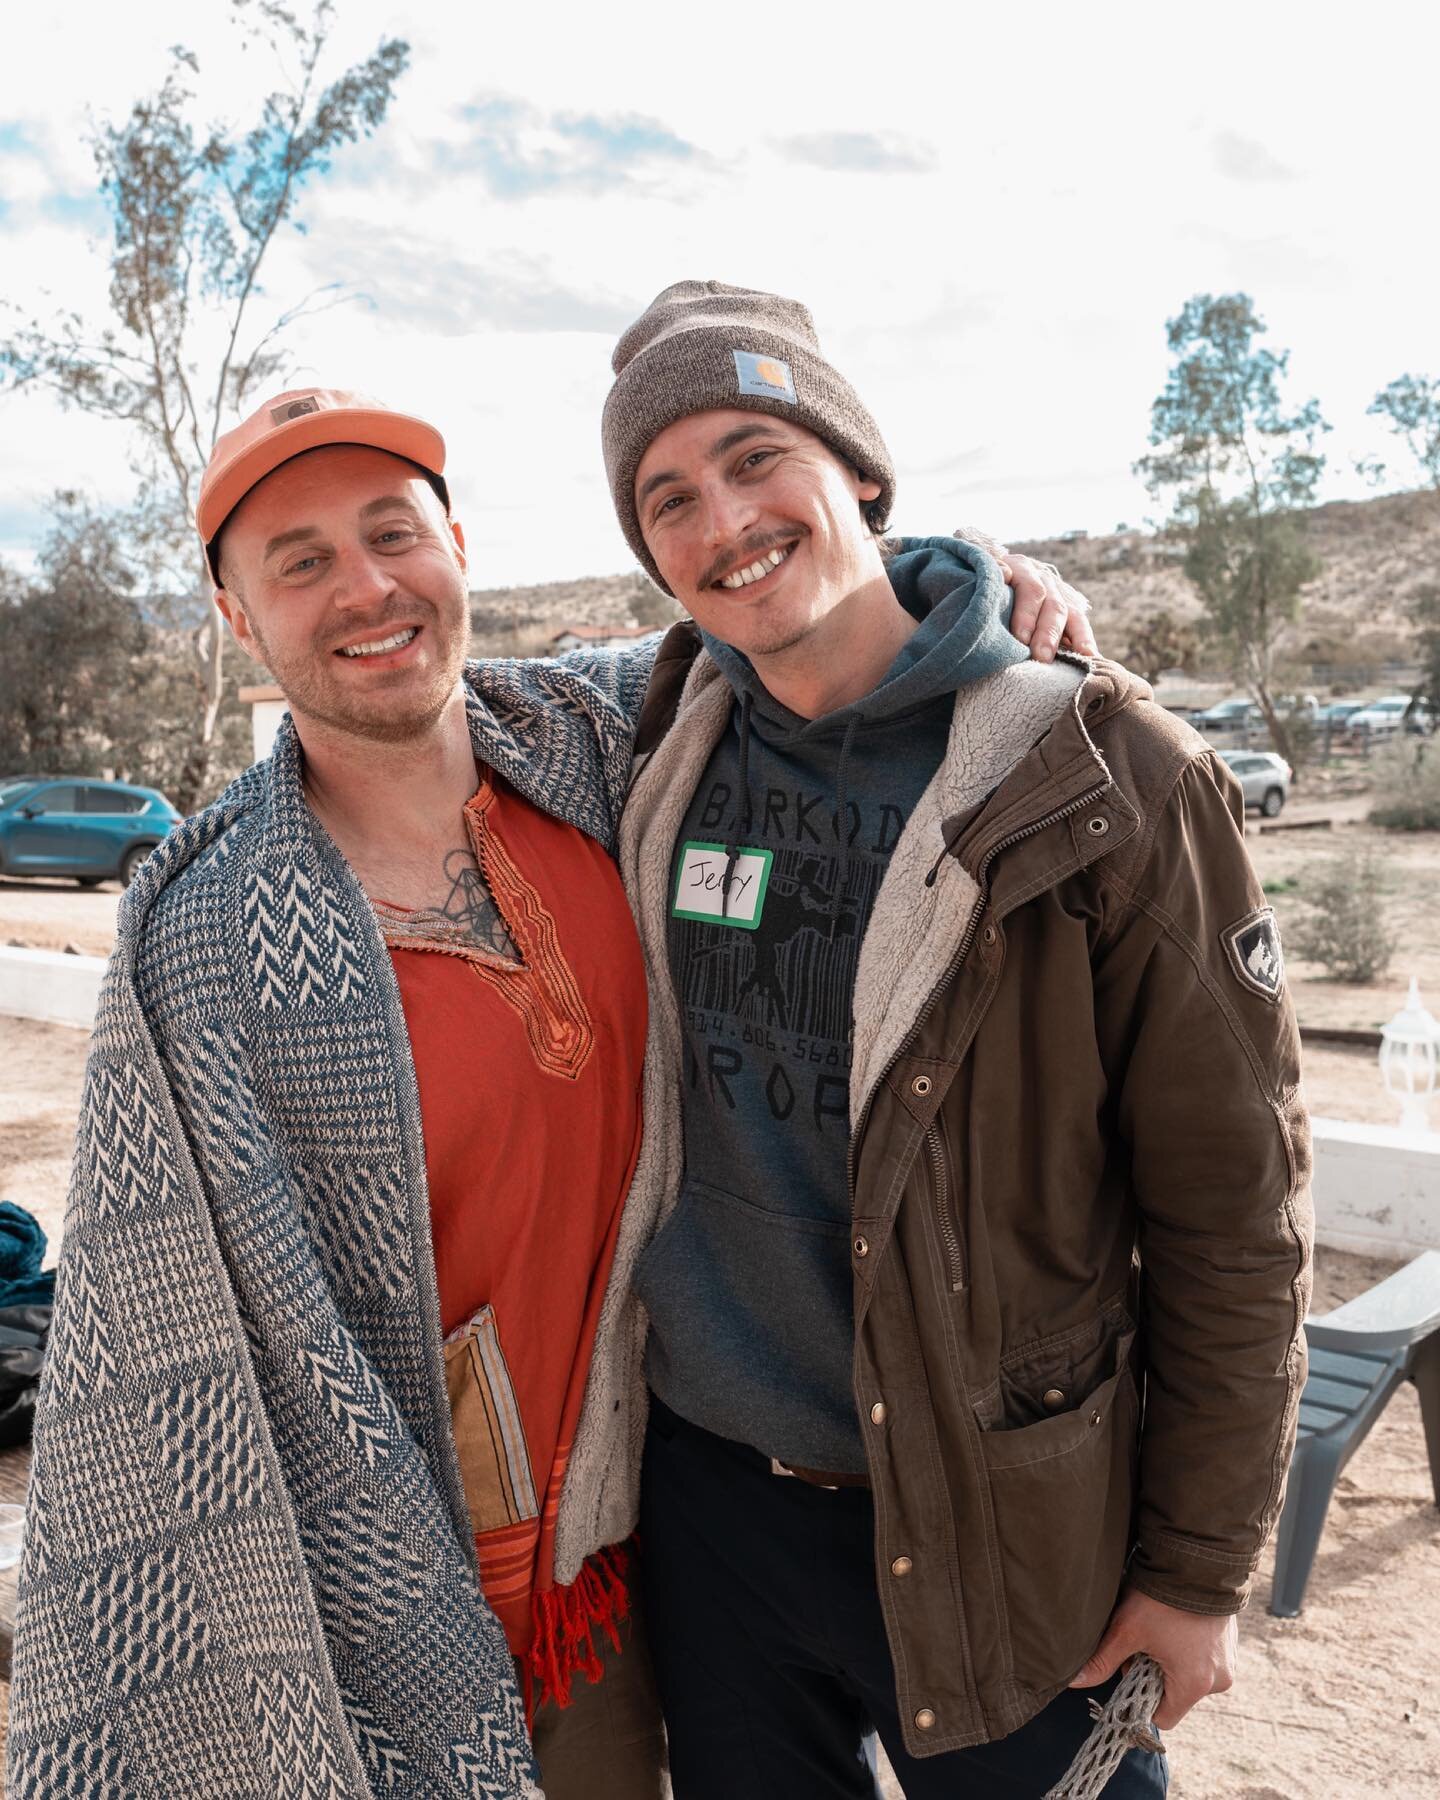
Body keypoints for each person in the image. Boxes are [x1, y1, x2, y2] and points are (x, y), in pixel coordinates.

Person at [4, 384, 1088, 1799]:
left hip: (669, 1547)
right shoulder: (201, 943)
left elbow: (784, 595)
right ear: (235, 619)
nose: (368, 588)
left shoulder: (601, 745)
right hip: (407, 1602)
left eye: (394, 533)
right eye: (302, 559)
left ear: (460, 544)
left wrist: (969, 569)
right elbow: (156, 1340)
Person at [592, 281, 1314, 1798]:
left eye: (756, 456)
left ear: (859, 467)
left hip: (1003, 1512)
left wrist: (1194, 1572)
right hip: (715, 1512)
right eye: (667, 497)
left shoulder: (1101, 778)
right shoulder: (650, 737)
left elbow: (1235, 1216)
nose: (722, 519)